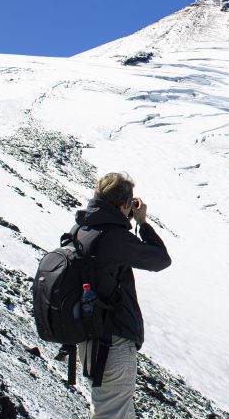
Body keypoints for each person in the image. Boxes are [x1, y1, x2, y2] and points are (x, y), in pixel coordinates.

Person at [75, 172, 171, 418]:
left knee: (110, 410)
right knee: (113, 414)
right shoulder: (114, 238)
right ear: (125, 205)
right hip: (112, 342)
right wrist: (143, 223)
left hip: (89, 339)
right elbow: (160, 260)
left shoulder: (83, 229)